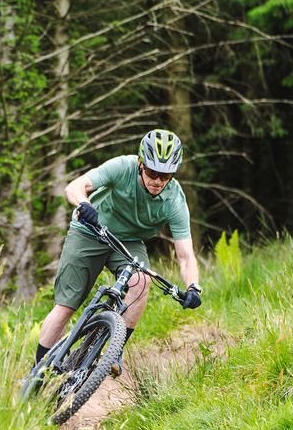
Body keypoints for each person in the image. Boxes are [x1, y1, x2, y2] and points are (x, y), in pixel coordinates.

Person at [35, 129, 202, 372]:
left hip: (129, 243)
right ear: (140, 164)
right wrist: (84, 203)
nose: (158, 181)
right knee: (66, 306)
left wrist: (193, 287)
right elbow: (74, 186)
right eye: (153, 173)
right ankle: (38, 372)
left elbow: (186, 255)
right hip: (90, 231)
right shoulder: (122, 167)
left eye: (165, 176)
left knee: (141, 282)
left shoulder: (174, 199)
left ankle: (113, 351)